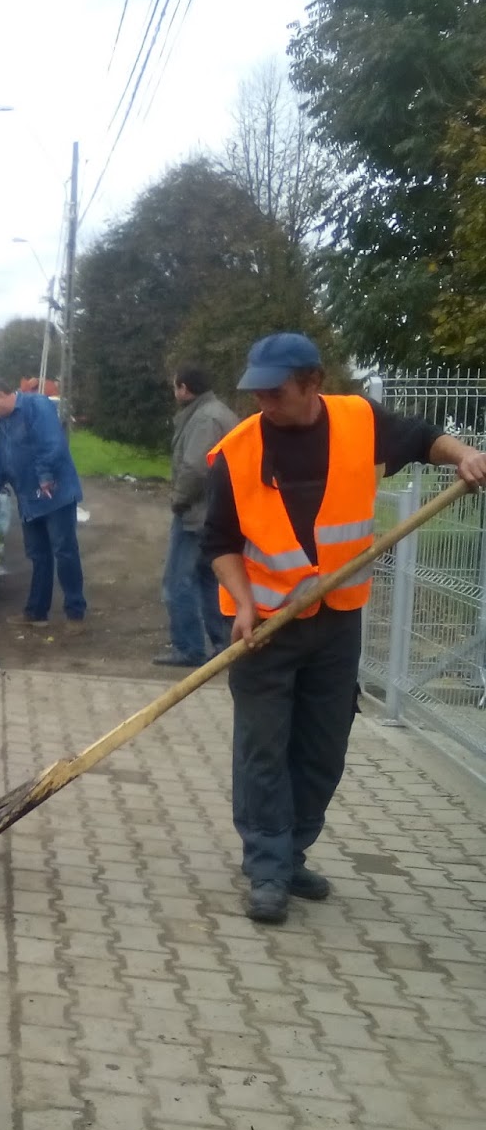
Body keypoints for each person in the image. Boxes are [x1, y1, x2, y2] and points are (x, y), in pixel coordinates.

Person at [203, 333, 486, 924]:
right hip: (264, 629)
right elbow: (220, 544)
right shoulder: (237, 452)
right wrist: (246, 603)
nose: (263, 402)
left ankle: (292, 849)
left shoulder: (359, 421)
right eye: (256, 391)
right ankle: (267, 865)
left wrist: (463, 455)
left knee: (323, 748)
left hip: (336, 624)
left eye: (275, 391)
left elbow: (421, 436)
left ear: (313, 382)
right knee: (262, 751)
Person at [0, 379, 87, 629]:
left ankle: (75, 613)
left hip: (53, 494)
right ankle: (37, 612)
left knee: (64, 551)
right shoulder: (2, 425)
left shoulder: (37, 406)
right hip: (28, 498)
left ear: (3, 394)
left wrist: (45, 475)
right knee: (38, 555)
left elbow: (52, 443)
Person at [154, 363, 239, 666]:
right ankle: (222, 643)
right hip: (213, 511)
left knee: (177, 580)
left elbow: (195, 467)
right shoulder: (217, 413)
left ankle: (189, 648)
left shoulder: (205, 419)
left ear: (184, 389)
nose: (174, 392)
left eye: (176, 386)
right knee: (207, 579)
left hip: (197, 514)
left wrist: (178, 499)